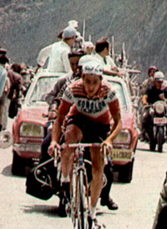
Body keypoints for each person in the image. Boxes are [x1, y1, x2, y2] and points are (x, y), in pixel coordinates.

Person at [48, 62, 122, 228]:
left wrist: (109, 140)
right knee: (69, 141)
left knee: (98, 167)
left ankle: (93, 212)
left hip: (100, 125)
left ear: (101, 81)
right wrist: (54, 141)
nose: (90, 87)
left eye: (95, 82)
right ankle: (66, 182)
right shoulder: (73, 89)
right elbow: (60, 119)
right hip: (79, 120)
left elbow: (118, 122)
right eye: (87, 82)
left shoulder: (109, 92)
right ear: (82, 79)